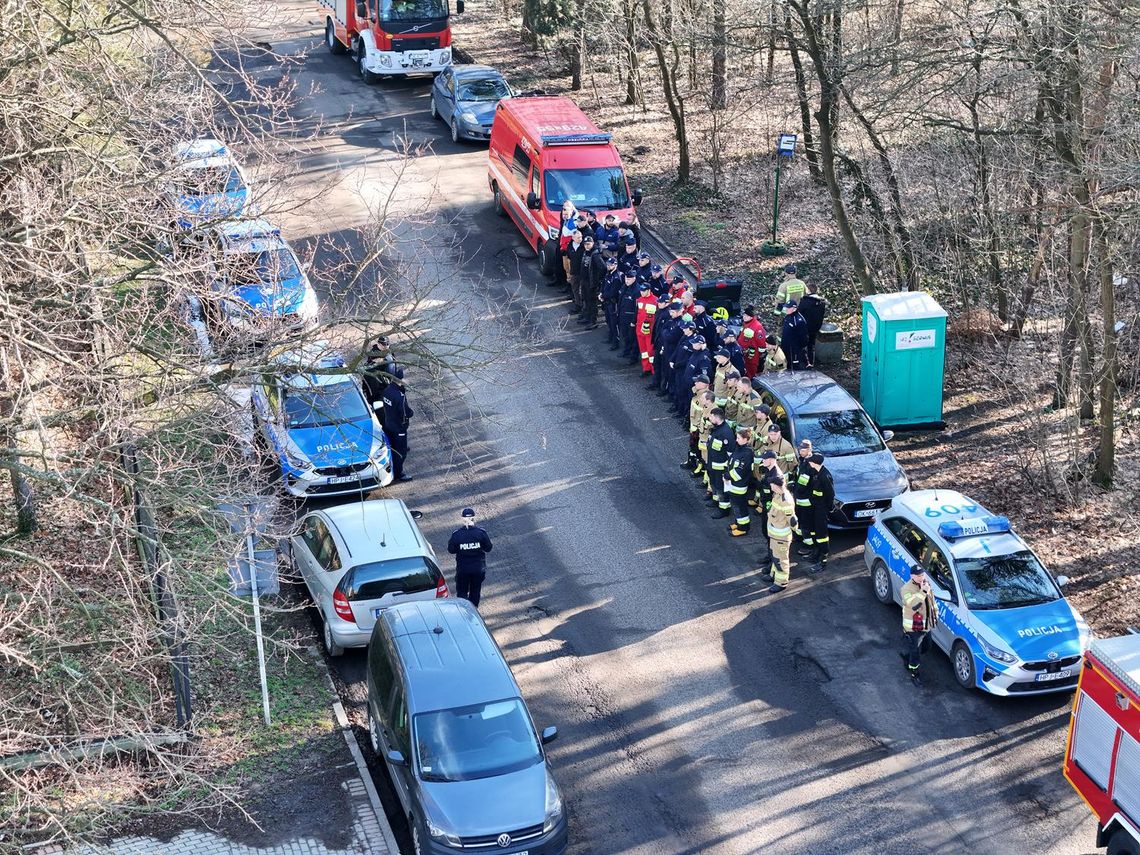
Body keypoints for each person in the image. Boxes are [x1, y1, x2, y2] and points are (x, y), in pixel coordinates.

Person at [900, 565, 938, 686]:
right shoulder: (906, 589)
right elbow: (914, 605)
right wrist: (923, 591)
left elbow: (931, 601)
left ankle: (908, 657)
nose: (921, 577)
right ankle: (914, 673)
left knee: (927, 647)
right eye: (918, 575)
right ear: (912, 576)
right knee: (915, 652)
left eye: (923, 574)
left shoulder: (926, 584)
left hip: (926, 626)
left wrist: (935, 613)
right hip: (913, 628)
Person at [447, 507, 493, 607]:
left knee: (462, 591)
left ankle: (464, 611)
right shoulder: (481, 533)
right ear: (473, 518)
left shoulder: (457, 534)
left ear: (463, 519)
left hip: (463, 569)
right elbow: (488, 548)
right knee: (475, 590)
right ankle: (474, 609)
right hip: (478, 569)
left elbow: (451, 550)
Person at [380, 365, 414, 482]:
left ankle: (393, 469)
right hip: (399, 428)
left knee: (393, 449)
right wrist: (411, 413)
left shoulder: (387, 391)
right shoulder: (399, 396)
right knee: (401, 452)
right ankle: (398, 474)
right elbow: (406, 413)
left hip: (389, 424)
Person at [765, 474, 797, 593]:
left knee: (780, 560)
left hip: (781, 537)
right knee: (775, 556)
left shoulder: (786, 501)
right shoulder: (777, 495)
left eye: (772, 484)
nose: (770, 486)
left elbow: (792, 521)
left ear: (777, 485)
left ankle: (781, 583)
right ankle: (773, 575)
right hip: (774, 534)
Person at [752, 450, 781, 571]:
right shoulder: (769, 471)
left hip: (772, 509)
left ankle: (773, 562)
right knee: (766, 532)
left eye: (765, 459)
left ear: (771, 460)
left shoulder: (776, 475)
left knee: (772, 536)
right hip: (767, 506)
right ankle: (769, 556)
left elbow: (777, 493)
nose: (763, 461)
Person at [806, 452, 834, 573]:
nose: (809, 463)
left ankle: (823, 560)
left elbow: (830, 495)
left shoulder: (824, 476)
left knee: (822, 535)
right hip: (814, 507)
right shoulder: (816, 472)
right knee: (814, 531)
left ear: (815, 463)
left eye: (811, 461)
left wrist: (827, 509)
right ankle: (816, 554)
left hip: (821, 509)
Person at [725, 427, 754, 536]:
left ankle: (744, 527)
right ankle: (738, 522)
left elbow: (741, 471)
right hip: (733, 484)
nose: (736, 440)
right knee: (735, 505)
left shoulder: (747, 453)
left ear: (746, 439)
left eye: (739, 438)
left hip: (739, 486)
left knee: (740, 507)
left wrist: (728, 475)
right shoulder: (739, 449)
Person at [706, 408, 734, 518]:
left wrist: (727, 470)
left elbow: (730, 453)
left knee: (721, 488)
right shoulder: (716, 429)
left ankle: (724, 509)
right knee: (714, 485)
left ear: (717, 417)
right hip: (713, 465)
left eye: (711, 416)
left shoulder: (726, 432)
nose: (710, 418)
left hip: (721, 468)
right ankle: (716, 500)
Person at [681, 375, 712, 472]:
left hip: (699, 429)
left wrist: (699, 428)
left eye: (698, 382)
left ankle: (700, 467)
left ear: (705, 385)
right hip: (693, 426)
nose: (695, 383)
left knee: (699, 449)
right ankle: (691, 461)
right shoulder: (697, 393)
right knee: (692, 446)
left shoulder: (705, 398)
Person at [792, 439, 815, 552]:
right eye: (800, 449)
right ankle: (799, 537)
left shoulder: (809, 464)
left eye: (804, 449)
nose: (801, 451)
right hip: (800, 498)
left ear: (809, 450)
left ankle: (808, 545)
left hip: (806, 499)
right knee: (799, 520)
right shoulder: (803, 461)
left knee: (806, 523)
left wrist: (795, 488)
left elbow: (803, 482)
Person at [360, 337, 395, 407]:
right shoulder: (374, 353)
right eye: (383, 344)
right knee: (373, 396)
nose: (386, 346)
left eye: (387, 344)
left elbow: (391, 361)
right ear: (378, 344)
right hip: (374, 379)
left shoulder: (389, 351)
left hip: (386, 378)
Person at [799, 282, 828, 367]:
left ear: (808, 290)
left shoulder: (805, 301)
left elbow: (799, 312)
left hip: (805, 327)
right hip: (816, 327)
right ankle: (811, 362)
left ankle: (805, 362)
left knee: (804, 345)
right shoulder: (821, 302)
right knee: (811, 345)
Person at [578, 235, 604, 328]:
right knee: (585, 299)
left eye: (588, 244)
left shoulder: (595, 254)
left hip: (591, 283)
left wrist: (597, 279)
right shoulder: (586, 252)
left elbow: (603, 268)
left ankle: (593, 321)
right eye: (585, 244)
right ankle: (587, 317)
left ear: (592, 243)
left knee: (592, 302)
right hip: (584, 280)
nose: (587, 246)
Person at [635, 281, 658, 376]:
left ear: (649, 290)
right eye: (641, 291)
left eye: (643, 291)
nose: (641, 292)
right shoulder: (639, 300)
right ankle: (646, 368)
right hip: (640, 330)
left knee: (650, 352)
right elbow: (637, 313)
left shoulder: (655, 301)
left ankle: (654, 371)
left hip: (650, 332)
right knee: (643, 351)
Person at [618, 270, 641, 363]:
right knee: (625, 335)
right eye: (626, 278)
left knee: (633, 338)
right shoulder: (624, 287)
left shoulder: (637, 290)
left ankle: (633, 356)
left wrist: (634, 321)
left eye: (629, 279)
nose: (627, 280)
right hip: (623, 315)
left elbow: (637, 307)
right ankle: (626, 351)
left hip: (631, 318)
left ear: (634, 279)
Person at [600, 256, 623, 349]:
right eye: (608, 264)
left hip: (613, 303)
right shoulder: (608, 274)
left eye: (610, 265)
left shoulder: (617, 277)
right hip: (607, 301)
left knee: (614, 323)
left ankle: (615, 342)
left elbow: (613, 292)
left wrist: (603, 296)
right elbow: (604, 285)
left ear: (615, 265)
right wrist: (601, 293)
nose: (608, 266)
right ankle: (610, 337)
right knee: (608, 321)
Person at [780, 301, 809, 370]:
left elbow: (804, 339)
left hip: (794, 351)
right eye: (786, 307)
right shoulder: (787, 317)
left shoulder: (799, 321)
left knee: (794, 367)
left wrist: (796, 348)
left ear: (794, 308)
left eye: (788, 308)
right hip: (786, 348)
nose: (786, 309)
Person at [740, 306, 767, 377]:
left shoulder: (757, 326)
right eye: (744, 315)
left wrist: (760, 354)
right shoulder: (746, 323)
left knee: (751, 369)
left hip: (752, 354)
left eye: (747, 315)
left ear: (751, 317)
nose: (744, 317)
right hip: (744, 352)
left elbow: (761, 342)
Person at [566, 229, 586, 315]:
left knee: (583, 291)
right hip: (574, 271)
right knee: (575, 289)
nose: (580, 239)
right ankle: (578, 305)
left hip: (583, 272)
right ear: (573, 238)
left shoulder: (584, 246)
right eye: (578, 237)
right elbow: (569, 256)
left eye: (581, 237)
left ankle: (584, 308)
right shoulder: (570, 245)